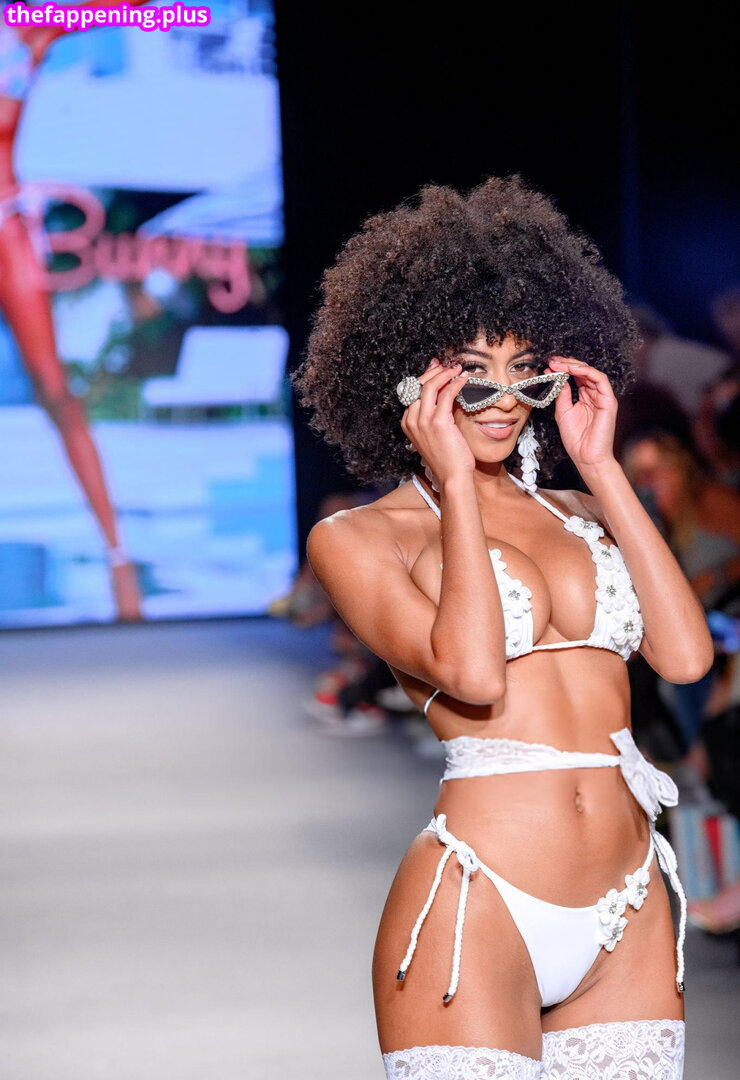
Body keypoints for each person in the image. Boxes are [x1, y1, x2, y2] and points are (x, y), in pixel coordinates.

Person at [291, 174, 714, 1079]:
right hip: (479, 898)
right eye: (471, 370)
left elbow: (684, 658)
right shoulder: (361, 537)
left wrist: (602, 470)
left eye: (525, 367)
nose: (502, 395)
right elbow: (475, 674)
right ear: (410, 374)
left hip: (631, 900)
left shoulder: (582, 508)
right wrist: (454, 484)